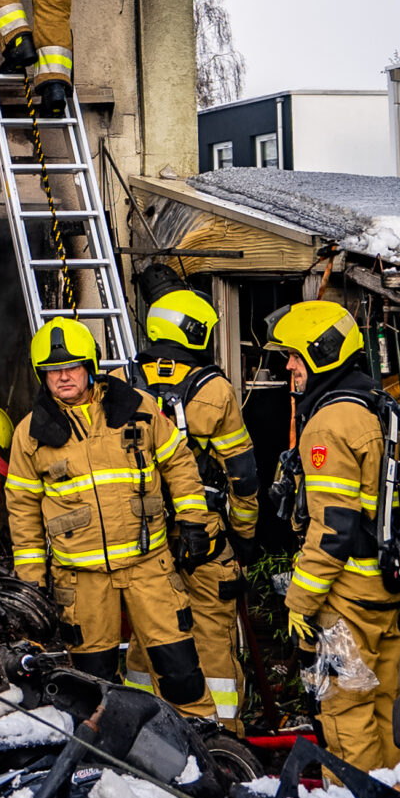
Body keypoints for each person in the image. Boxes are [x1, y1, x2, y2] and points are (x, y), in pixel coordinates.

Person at [4, 316, 208, 706]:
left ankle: (204, 751)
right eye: (52, 371)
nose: (63, 377)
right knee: (91, 688)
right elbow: (23, 509)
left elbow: (178, 464)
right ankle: (106, 761)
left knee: (180, 672)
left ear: (90, 368)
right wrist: (31, 580)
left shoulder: (137, 408)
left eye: (72, 367)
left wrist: (193, 522)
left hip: (150, 567)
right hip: (81, 582)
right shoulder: (30, 433)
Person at [267, 299, 400, 770]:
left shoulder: (329, 424)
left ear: (322, 354)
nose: (289, 366)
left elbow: (333, 528)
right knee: (384, 705)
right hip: (380, 591)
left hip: (343, 599)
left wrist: (300, 601)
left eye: (295, 356)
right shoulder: (373, 404)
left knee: (344, 713)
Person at [137, 288, 261, 731]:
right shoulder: (215, 391)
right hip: (204, 542)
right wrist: (244, 538)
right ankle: (222, 738)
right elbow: (242, 477)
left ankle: (145, 736)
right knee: (211, 638)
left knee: (147, 640)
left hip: (142, 542)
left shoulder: (122, 385)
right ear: (193, 332)